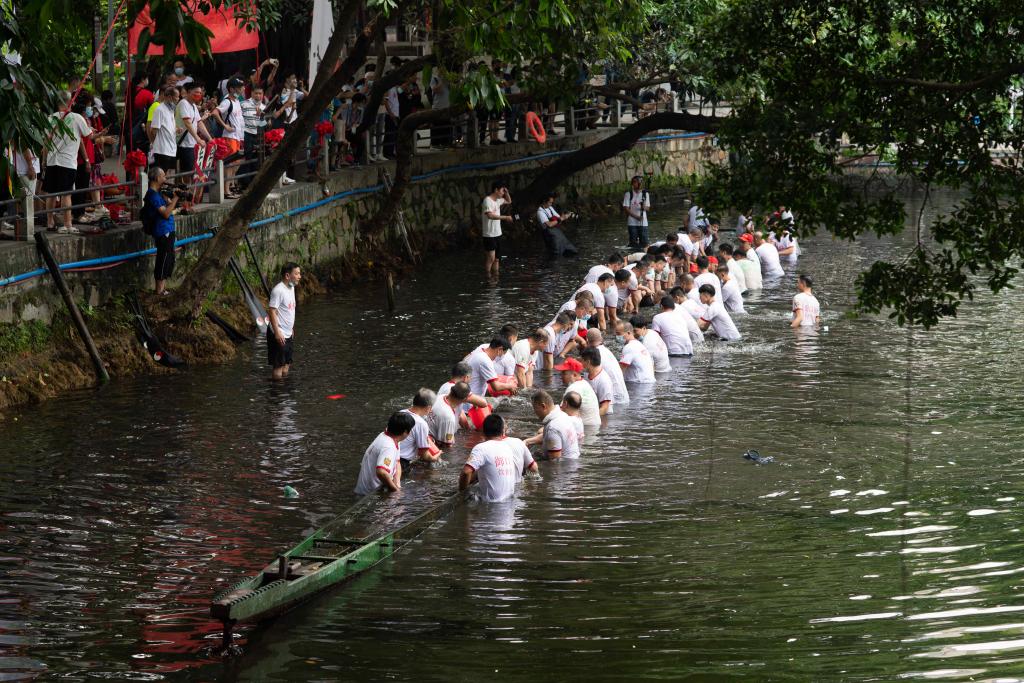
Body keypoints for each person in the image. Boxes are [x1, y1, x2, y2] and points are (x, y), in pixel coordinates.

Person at [41, 92, 91, 234]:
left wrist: (44, 160)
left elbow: (46, 142)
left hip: (52, 160)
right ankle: (67, 224)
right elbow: (89, 136)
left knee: (51, 193)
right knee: (66, 194)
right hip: (67, 161)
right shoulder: (76, 118)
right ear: (71, 102)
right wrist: (99, 135)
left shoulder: (50, 118)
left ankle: (50, 222)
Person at [459, 414, 538, 502]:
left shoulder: (481, 448)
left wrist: (462, 493)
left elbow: (466, 472)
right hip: (510, 503)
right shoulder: (507, 448)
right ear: (503, 431)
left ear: (483, 432)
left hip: (490, 507)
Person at [354, 411, 414, 496]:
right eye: (410, 430)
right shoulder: (388, 446)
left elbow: (397, 461)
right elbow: (381, 472)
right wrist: (395, 491)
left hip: (373, 489)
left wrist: (397, 485)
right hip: (369, 494)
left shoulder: (391, 436)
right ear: (405, 432)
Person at [142, 167, 180, 295]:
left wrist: (171, 198)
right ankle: (159, 290)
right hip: (162, 231)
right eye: (163, 176)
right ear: (157, 178)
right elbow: (165, 214)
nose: (165, 179)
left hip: (168, 230)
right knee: (163, 260)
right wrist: (175, 198)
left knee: (169, 258)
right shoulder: (152, 195)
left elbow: (168, 208)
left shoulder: (158, 193)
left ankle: (162, 289)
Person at [212, 78, 246, 198]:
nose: (242, 89)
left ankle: (230, 187)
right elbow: (215, 113)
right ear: (231, 89)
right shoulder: (227, 101)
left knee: (236, 163)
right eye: (239, 87)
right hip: (229, 137)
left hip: (237, 137)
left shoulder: (236, 101)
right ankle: (226, 191)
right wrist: (225, 125)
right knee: (230, 164)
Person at [268, 262, 301, 380]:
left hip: (288, 332)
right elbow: (272, 311)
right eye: (296, 273)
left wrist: (291, 328)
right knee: (278, 366)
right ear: (287, 276)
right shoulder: (278, 290)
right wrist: (277, 332)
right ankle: (277, 394)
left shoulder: (291, 287)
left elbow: (287, 310)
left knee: (287, 363)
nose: (299, 276)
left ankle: (285, 391)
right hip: (278, 332)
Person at [526, 390, 581, 459]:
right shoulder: (563, 415)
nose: (535, 412)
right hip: (573, 462)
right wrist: (528, 442)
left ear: (543, 406)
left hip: (565, 468)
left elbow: (554, 462)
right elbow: (548, 437)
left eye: (535, 408)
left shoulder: (553, 428)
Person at [177, 83, 211, 183]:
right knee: (187, 172)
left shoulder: (194, 106)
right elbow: (187, 123)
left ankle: (188, 193)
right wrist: (198, 139)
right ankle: (186, 193)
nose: (198, 94)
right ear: (188, 92)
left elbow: (199, 123)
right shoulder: (183, 103)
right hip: (184, 143)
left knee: (191, 170)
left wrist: (209, 138)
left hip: (191, 143)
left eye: (200, 93)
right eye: (196, 92)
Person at [398, 388, 439, 471]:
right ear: (428, 408)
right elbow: (424, 455)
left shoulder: (400, 412)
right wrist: (434, 458)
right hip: (401, 462)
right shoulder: (421, 423)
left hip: (392, 455)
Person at [586, 329, 629, 405]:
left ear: (587, 340)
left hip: (612, 400)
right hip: (624, 397)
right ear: (601, 339)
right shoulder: (607, 352)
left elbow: (591, 379)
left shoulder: (595, 355)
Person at [554, 358, 601, 427]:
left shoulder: (573, 388)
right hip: (594, 428)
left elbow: (561, 413)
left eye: (564, 373)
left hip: (585, 429)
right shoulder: (585, 383)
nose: (561, 376)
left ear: (574, 375)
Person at [482, 181, 512, 277]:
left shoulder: (498, 200)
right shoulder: (487, 200)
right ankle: (487, 277)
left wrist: (506, 192)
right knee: (491, 257)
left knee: (497, 259)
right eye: (502, 191)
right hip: (489, 234)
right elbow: (490, 216)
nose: (503, 193)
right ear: (496, 190)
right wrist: (506, 217)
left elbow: (509, 201)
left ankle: (496, 278)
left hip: (498, 233)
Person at [148, 86, 180, 173]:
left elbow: (167, 126)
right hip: (162, 150)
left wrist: (176, 129)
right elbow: (153, 130)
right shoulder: (160, 109)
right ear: (169, 97)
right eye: (176, 96)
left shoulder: (171, 109)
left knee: (168, 177)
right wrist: (155, 144)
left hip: (171, 149)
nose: (178, 99)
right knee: (160, 176)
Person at [536, 192, 578, 256]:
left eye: (552, 202)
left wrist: (566, 215)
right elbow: (549, 224)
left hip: (558, 233)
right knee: (556, 254)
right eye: (550, 202)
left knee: (573, 251)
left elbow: (559, 218)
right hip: (550, 236)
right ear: (544, 201)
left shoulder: (550, 208)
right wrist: (561, 219)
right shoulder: (540, 212)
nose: (551, 204)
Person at [430, 381, 471, 447]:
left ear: (451, 390)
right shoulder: (449, 417)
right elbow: (447, 445)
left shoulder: (440, 397)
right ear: (465, 399)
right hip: (432, 444)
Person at [580, 347, 614, 416]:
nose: (581, 363)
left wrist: (588, 418)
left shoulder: (603, 381)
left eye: (582, 360)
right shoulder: (587, 374)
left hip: (603, 417)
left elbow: (604, 408)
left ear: (588, 362)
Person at [622, 175, 650, 250]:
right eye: (635, 182)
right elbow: (626, 208)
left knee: (644, 243)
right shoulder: (628, 194)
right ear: (632, 184)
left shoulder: (645, 194)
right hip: (632, 223)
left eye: (639, 182)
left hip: (643, 223)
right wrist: (636, 217)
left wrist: (643, 207)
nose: (637, 184)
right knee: (633, 243)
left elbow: (648, 208)